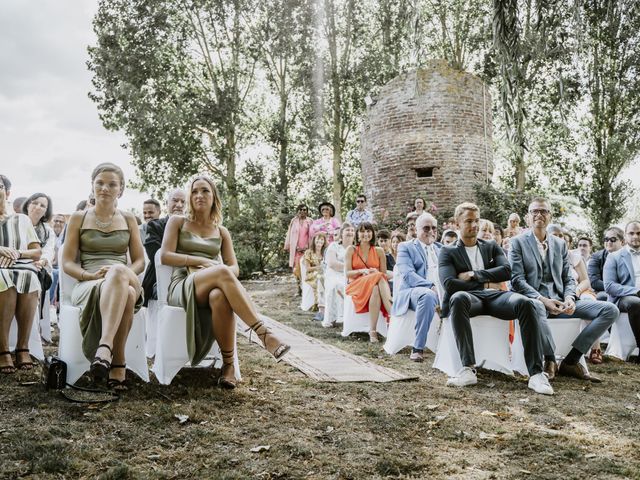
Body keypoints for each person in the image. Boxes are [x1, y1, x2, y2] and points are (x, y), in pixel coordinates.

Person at [160, 175, 290, 389]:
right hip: (182, 284)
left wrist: (217, 270)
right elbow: (165, 256)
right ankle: (263, 334)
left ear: (214, 197)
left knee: (219, 296)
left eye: (205, 191)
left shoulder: (221, 231)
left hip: (210, 286)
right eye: (194, 191)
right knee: (221, 272)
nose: (199, 195)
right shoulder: (178, 222)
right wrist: (204, 261)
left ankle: (227, 367)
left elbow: (234, 268)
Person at [439, 202, 552, 394]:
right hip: (469, 300)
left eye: (476, 221)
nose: (474, 226)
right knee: (458, 297)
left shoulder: (490, 246)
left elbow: (507, 271)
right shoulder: (448, 251)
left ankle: (536, 374)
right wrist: (488, 280)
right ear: (457, 224)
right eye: (468, 221)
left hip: (494, 297)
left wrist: (475, 275)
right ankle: (467, 369)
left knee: (526, 303)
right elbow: (449, 284)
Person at [509, 197, 618, 383]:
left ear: (550, 216)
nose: (539, 215)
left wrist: (570, 297)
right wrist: (543, 300)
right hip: (535, 303)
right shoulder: (517, 242)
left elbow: (568, 277)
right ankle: (549, 359)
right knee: (534, 306)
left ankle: (571, 360)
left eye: (543, 211)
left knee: (610, 310)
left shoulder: (559, 244)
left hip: (561, 302)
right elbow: (517, 280)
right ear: (527, 217)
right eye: (534, 211)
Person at [62, 163, 145, 390]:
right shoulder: (78, 218)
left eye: (111, 184)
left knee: (120, 274)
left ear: (121, 189)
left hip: (125, 277)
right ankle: (118, 365)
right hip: (89, 282)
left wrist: (124, 271)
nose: (105, 188)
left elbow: (140, 261)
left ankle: (103, 348)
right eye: (100, 183)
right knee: (127, 293)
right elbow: (67, 262)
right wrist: (88, 275)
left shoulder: (129, 219)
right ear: (92, 186)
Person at [0, 175, 42, 373]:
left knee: (29, 277)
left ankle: (22, 347)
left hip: (20, 264)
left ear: (7, 193)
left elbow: (36, 252)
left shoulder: (22, 219)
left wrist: (17, 252)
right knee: (4, 279)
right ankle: (2, 350)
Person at [392, 213, 441, 362]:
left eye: (434, 228)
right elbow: (408, 275)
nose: (431, 232)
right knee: (428, 295)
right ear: (416, 230)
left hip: (440, 291)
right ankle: (418, 347)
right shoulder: (405, 247)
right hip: (412, 292)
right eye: (426, 228)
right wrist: (431, 286)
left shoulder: (441, 249)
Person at [345, 222, 392, 343]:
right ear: (357, 234)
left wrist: (375, 271)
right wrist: (363, 271)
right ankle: (392, 314)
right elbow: (347, 273)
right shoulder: (351, 249)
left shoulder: (379, 251)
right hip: (356, 284)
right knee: (378, 277)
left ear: (373, 233)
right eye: (362, 231)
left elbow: (384, 274)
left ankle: (373, 331)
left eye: (368, 231)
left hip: (375, 283)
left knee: (376, 287)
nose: (366, 234)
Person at [141, 189, 187, 307]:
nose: (179, 205)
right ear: (167, 204)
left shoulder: (192, 228)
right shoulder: (155, 226)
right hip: (158, 282)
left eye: (183, 202)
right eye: (175, 200)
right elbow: (155, 255)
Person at [603, 221, 640, 363]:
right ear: (625, 236)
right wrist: (636, 291)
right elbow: (609, 286)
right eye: (631, 233)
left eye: (638, 233)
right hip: (625, 297)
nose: (635, 236)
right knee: (636, 303)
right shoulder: (614, 256)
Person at [22, 193, 56, 319]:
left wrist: (41, 262)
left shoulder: (48, 231)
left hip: (39, 266)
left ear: (46, 211)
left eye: (42, 206)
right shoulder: (16, 222)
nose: (37, 207)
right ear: (28, 204)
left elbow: (49, 251)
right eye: (35, 203)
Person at [323, 223, 355, 328]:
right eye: (347, 230)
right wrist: (350, 267)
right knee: (337, 285)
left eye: (352, 230)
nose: (350, 232)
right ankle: (334, 318)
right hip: (334, 274)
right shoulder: (334, 246)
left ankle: (349, 318)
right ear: (341, 234)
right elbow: (332, 264)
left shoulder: (355, 248)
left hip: (350, 274)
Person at [588, 227, 624, 301]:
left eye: (613, 239)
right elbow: (594, 282)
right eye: (606, 239)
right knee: (602, 297)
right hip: (605, 291)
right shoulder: (596, 257)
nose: (609, 242)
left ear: (622, 242)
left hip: (627, 292)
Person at [284, 204, 312, 292]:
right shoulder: (294, 221)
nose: (302, 211)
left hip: (307, 248)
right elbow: (289, 233)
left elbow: (312, 235)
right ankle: (299, 287)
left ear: (307, 212)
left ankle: (306, 287)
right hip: (295, 248)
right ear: (297, 211)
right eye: (300, 210)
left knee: (306, 267)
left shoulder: (310, 221)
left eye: (304, 210)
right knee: (296, 268)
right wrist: (289, 245)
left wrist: (308, 247)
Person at [302, 232, 328, 320]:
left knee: (326, 279)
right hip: (311, 275)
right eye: (318, 239)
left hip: (324, 273)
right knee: (320, 279)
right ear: (314, 241)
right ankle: (319, 306)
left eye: (322, 239)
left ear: (324, 241)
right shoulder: (308, 252)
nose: (320, 241)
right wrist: (319, 267)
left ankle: (327, 305)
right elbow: (308, 268)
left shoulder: (325, 252)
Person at [50, 213, 66, 306]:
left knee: (57, 273)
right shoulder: (48, 233)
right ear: (51, 222)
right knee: (54, 273)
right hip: (49, 264)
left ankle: (57, 304)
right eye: (56, 221)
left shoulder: (67, 236)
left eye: (61, 222)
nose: (58, 223)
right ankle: (49, 303)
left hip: (62, 265)